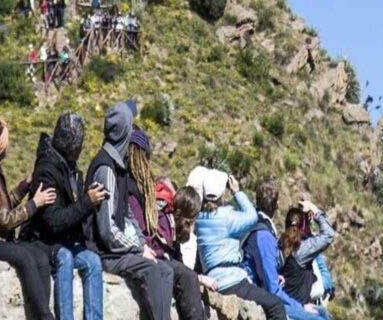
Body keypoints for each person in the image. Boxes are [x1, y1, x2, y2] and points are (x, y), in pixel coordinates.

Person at [85, 101, 174, 320]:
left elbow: (127, 215)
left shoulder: (118, 166)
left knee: (166, 270)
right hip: (105, 251)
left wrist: (142, 246)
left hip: (120, 248)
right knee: (153, 269)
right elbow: (107, 230)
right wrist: (137, 248)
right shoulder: (106, 169)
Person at [21, 113, 107, 320]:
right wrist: (87, 202)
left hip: (67, 240)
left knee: (93, 262)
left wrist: (91, 202)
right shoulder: (47, 171)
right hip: (43, 240)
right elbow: (53, 222)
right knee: (65, 258)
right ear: (73, 145)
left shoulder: (72, 169)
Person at [0, 119, 57, 320]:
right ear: (0, 146)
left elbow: (3, 205)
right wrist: (34, 203)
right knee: (24, 257)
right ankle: (46, 316)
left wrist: (24, 186)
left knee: (40, 256)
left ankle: (39, 314)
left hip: (0, 237)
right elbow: (5, 220)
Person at [127, 129, 208, 320]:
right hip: (146, 251)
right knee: (185, 276)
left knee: (184, 274)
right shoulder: (138, 191)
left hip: (152, 251)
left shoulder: (144, 190)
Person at [195, 170, 287, 320]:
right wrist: (237, 192)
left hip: (213, 278)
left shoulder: (200, 219)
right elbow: (252, 217)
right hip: (232, 281)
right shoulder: (227, 217)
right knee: (276, 306)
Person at [243, 181, 326, 319]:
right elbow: (273, 289)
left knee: (321, 312)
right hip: (265, 297)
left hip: (262, 288)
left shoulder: (255, 225)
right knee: (317, 317)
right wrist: (300, 307)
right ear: (277, 205)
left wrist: (275, 276)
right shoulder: (265, 237)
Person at [280, 202, 335, 311]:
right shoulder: (302, 249)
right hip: (298, 307)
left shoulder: (280, 243)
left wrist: (307, 228)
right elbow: (328, 235)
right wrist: (314, 209)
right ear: (303, 226)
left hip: (285, 301)